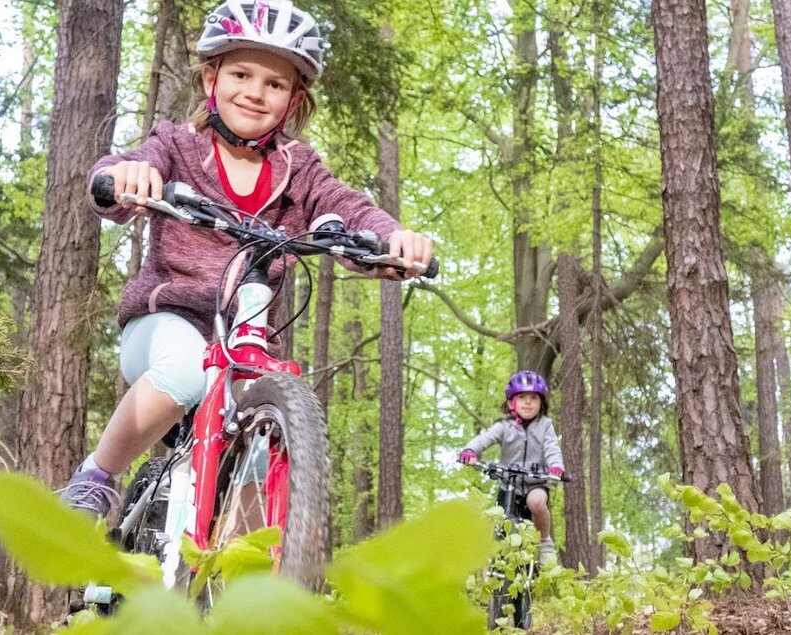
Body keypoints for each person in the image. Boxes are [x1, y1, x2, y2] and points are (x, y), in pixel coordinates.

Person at [59, 0, 434, 518]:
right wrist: (127, 179)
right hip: (169, 323)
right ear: (212, 76)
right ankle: (97, 476)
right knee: (189, 369)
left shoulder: (298, 169)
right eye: (241, 73)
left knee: (266, 458)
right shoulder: (177, 145)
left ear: (294, 98)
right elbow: (126, 168)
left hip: (246, 348)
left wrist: (393, 239)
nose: (255, 92)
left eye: (275, 84)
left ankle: (235, 584)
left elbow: (348, 208)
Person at [459, 370, 565, 563]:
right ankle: (490, 575)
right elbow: (485, 438)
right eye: (522, 397)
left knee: (536, 502)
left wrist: (555, 467)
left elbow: (552, 448)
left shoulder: (545, 425)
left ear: (541, 403)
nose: (528, 402)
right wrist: (470, 451)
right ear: (510, 403)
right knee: (497, 525)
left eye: (533, 398)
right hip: (509, 485)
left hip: (535, 483)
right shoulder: (504, 426)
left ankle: (543, 543)